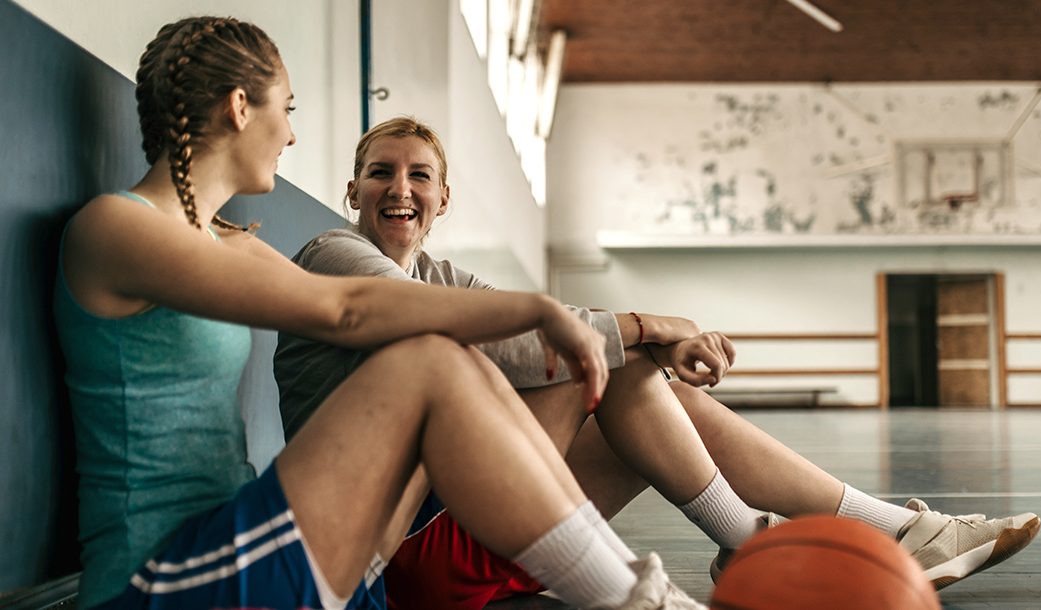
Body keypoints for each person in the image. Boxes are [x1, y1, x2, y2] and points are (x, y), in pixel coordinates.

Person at [55, 17, 704, 610]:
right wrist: (538, 308)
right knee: (427, 360)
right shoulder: (117, 228)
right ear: (239, 107)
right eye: (288, 109)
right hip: (160, 579)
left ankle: (634, 587)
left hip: (250, 537)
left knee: (444, 351)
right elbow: (348, 307)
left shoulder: (228, 242)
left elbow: (381, 306)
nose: (292, 133)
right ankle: (639, 601)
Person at [274, 116, 1041, 608]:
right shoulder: (335, 254)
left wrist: (653, 339)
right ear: (352, 189)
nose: (399, 188)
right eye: (381, 172)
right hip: (400, 558)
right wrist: (654, 327)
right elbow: (535, 342)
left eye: (419, 176)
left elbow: (558, 323)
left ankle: (853, 532)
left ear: (445, 199)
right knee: (602, 366)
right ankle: (782, 538)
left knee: (639, 384)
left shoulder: (444, 279)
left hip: (481, 525)